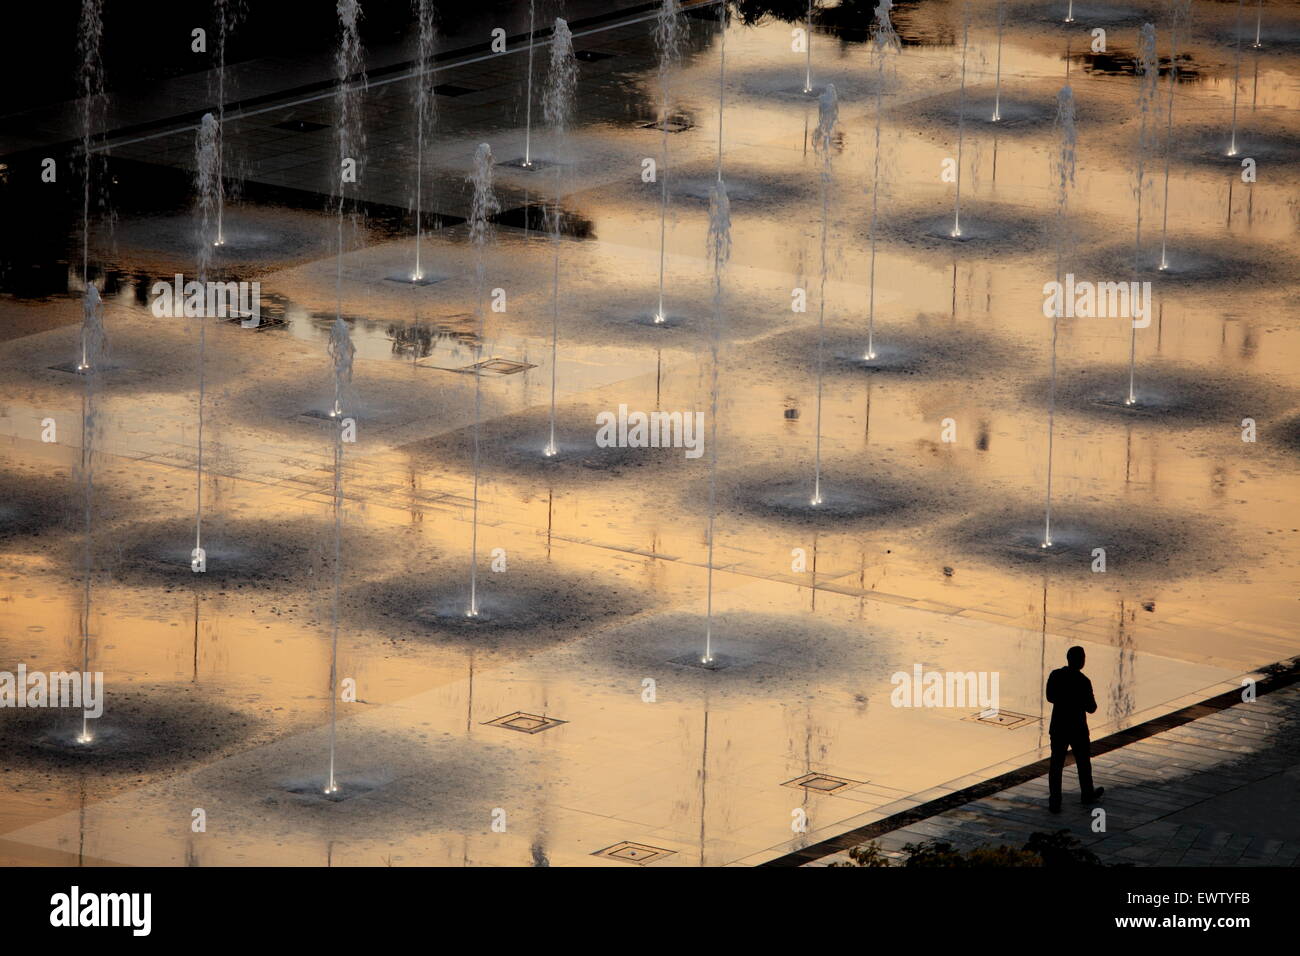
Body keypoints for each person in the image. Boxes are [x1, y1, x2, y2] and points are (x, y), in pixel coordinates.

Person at [1045, 645, 1104, 813]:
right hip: (1077, 727)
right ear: (1081, 661)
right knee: (1083, 763)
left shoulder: (1056, 675)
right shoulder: (1083, 681)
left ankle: (1055, 800)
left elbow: (1050, 697)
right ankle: (1087, 794)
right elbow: (1092, 708)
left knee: (1056, 764)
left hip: (1058, 726)